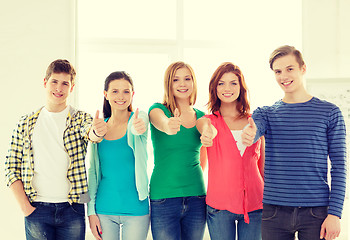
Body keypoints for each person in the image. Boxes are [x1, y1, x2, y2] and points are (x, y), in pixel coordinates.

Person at [242, 45, 347, 240]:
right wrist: (250, 134)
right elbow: (254, 129)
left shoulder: (330, 113)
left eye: (290, 69)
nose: (284, 76)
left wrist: (334, 214)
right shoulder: (266, 113)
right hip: (274, 212)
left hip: (316, 212)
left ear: (303, 68)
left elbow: (339, 167)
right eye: (278, 71)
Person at [4, 59, 106, 240]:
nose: (59, 88)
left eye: (65, 83)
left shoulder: (80, 118)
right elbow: (11, 168)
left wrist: (97, 131)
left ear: (71, 88)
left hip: (72, 208)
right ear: (45, 82)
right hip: (37, 209)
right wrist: (26, 208)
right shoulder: (26, 123)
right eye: (54, 82)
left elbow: (91, 133)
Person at [197, 62, 265, 240]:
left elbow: (263, 166)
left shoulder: (255, 121)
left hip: (255, 204)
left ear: (241, 87)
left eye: (233, 83)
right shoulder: (208, 121)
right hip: (219, 206)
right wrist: (206, 132)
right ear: (214, 88)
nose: (227, 88)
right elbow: (202, 126)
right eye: (221, 83)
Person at [87, 71, 150, 240]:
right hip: (104, 209)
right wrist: (91, 211)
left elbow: (140, 126)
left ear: (132, 94)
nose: (120, 96)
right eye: (115, 91)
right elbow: (93, 173)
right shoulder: (100, 126)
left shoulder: (139, 117)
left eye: (126, 91)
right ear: (105, 94)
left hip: (136, 208)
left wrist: (138, 126)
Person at [148, 61, 207, 240]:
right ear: (169, 84)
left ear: (193, 82)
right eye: (176, 79)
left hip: (197, 197)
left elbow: (203, 158)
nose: (182, 84)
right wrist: (168, 125)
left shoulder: (201, 116)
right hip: (163, 198)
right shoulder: (157, 110)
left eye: (187, 79)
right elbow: (162, 122)